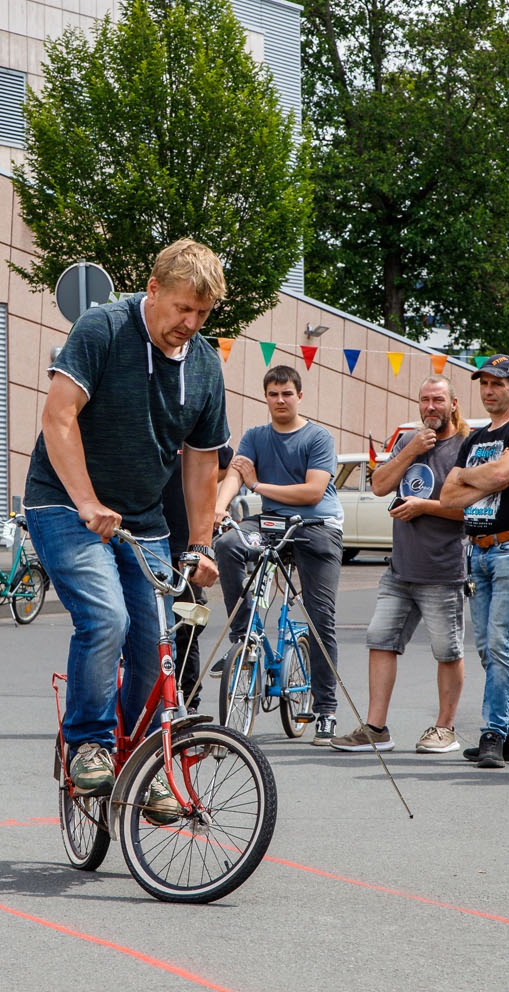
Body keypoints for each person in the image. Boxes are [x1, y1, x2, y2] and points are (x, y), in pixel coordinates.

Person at [23, 239, 228, 821]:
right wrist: (86, 501)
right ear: (154, 289)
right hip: (64, 506)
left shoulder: (206, 364)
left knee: (154, 646)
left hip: (144, 521)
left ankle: (142, 761)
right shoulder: (102, 329)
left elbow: (199, 462)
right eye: (182, 308)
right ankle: (87, 742)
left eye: (203, 314)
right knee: (107, 618)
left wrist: (201, 543)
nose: (189, 324)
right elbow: (58, 416)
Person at [331, 376, 468, 753]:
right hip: (400, 570)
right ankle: (376, 729)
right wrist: (409, 453)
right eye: (424, 400)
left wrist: (425, 507)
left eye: (438, 400)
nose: (430, 407)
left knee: (448, 651)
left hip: (442, 571)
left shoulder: (466, 447)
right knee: (380, 640)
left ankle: (445, 728)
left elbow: (473, 510)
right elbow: (379, 485)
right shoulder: (410, 441)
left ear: (453, 404)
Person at [213, 363, 344, 745]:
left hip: (316, 526)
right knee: (228, 544)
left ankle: (326, 710)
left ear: (299, 396)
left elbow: (312, 492)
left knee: (321, 618)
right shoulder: (255, 435)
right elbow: (235, 474)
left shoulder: (318, 438)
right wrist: (220, 509)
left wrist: (257, 484)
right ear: (265, 397)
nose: (280, 400)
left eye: (287, 393)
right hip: (270, 522)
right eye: (273, 394)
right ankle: (244, 639)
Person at [439, 354, 509, 769]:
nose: (488, 390)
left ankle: (494, 734)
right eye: (483, 383)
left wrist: (471, 477)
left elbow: (503, 476)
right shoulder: (474, 439)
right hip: (477, 550)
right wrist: (481, 476)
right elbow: (448, 498)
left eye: (498, 384)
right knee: (486, 648)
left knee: (499, 643)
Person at [161, 443, 233, 709]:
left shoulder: (195, 429)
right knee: (144, 629)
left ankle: (187, 700)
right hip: (147, 539)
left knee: (186, 627)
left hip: (186, 546)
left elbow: (222, 463)